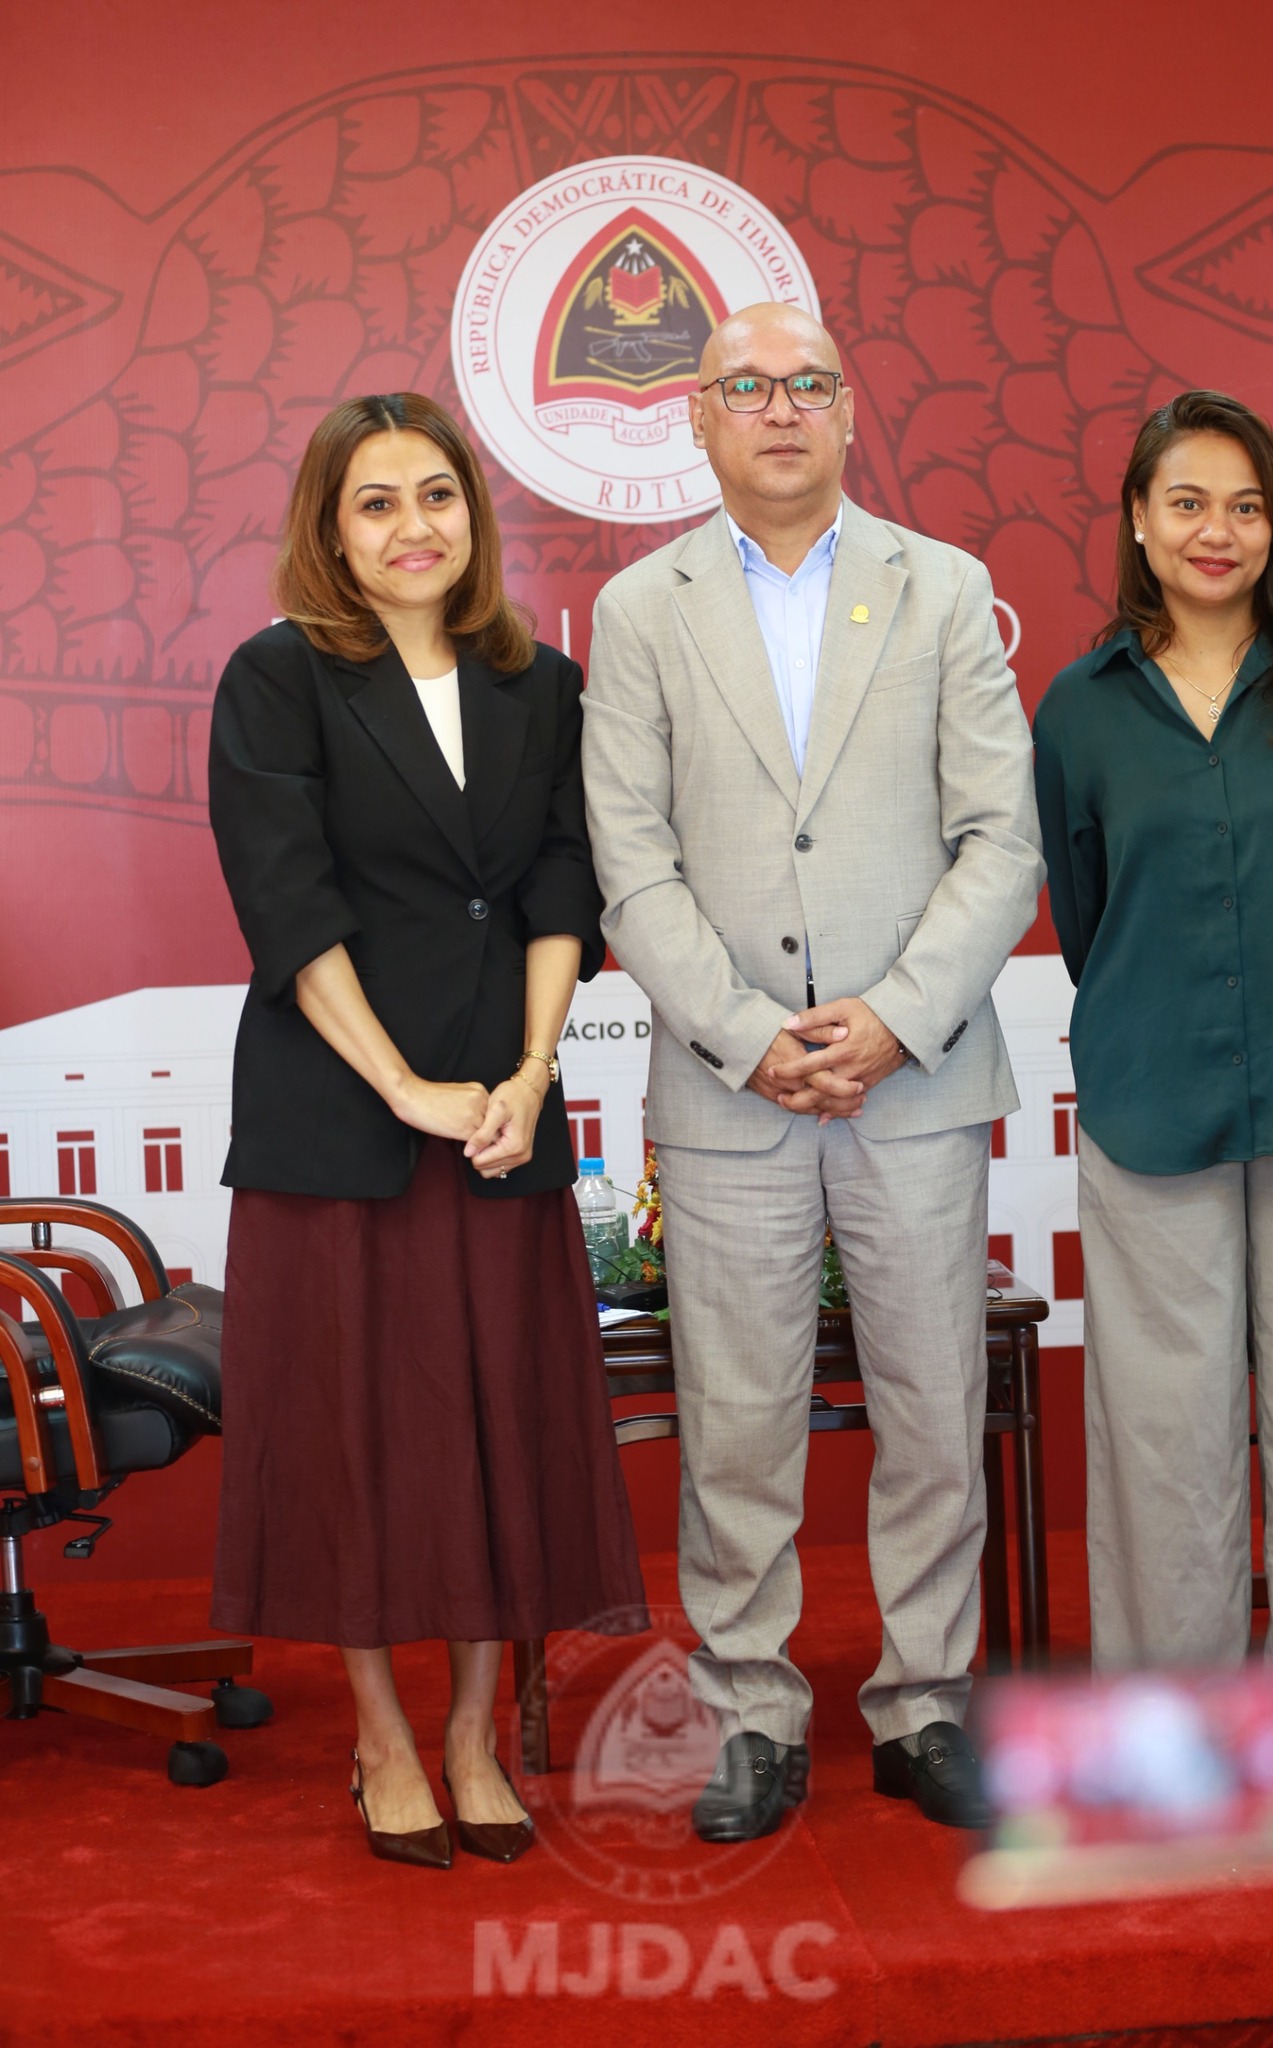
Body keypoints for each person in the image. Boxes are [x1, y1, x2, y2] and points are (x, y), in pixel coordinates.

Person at [581, 303, 1044, 1842]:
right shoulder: (640, 610)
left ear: (847, 412)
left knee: (934, 1412)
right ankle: (751, 1714)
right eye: (747, 386)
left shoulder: (944, 587)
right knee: (736, 1425)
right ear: (699, 420)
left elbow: (1003, 841)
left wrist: (897, 1018)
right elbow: (629, 862)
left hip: (917, 1078)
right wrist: (747, 1034)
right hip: (733, 1093)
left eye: (808, 385)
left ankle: (927, 1706)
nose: (779, 409)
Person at [208, 392, 647, 1869]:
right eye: (378, 502)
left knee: (491, 1427)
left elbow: (561, 888)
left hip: (500, 1117)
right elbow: (287, 906)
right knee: (358, 1437)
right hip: (341, 1117)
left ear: (475, 512)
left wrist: (532, 1071)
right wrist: (405, 1089)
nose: (415, 527)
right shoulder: (278, 677)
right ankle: (382, 1739)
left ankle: (471, 1736)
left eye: (438, 495)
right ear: (331, 532)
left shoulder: (541, 683)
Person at [1033, 389, 1273, 1751]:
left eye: (1246, 507)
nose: (1218, 531)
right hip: (1150, 1099)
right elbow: (1086, 913)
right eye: (1188, 502)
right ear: (1138, 522)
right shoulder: (1078, 710)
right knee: (1164, 1444)